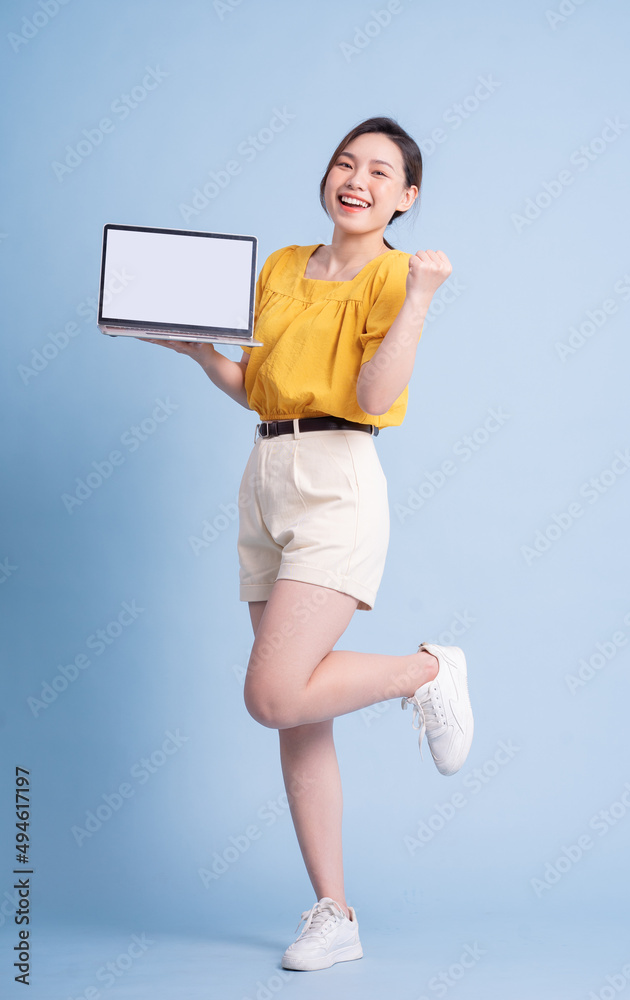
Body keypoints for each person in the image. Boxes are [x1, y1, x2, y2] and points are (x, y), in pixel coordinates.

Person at [142, 116, 473, 973]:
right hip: (265, 475)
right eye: (343, 162)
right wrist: (199, 352)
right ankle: (335, 912)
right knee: (299, 711)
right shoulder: (284, 266)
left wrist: (422, 303)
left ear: (406, 198)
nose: (355, 179)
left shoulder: (399, 273)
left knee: (274, 694)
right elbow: (259, 386)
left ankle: (428, 671)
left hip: (336, 483)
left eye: (379, 171)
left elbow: (369, 393)